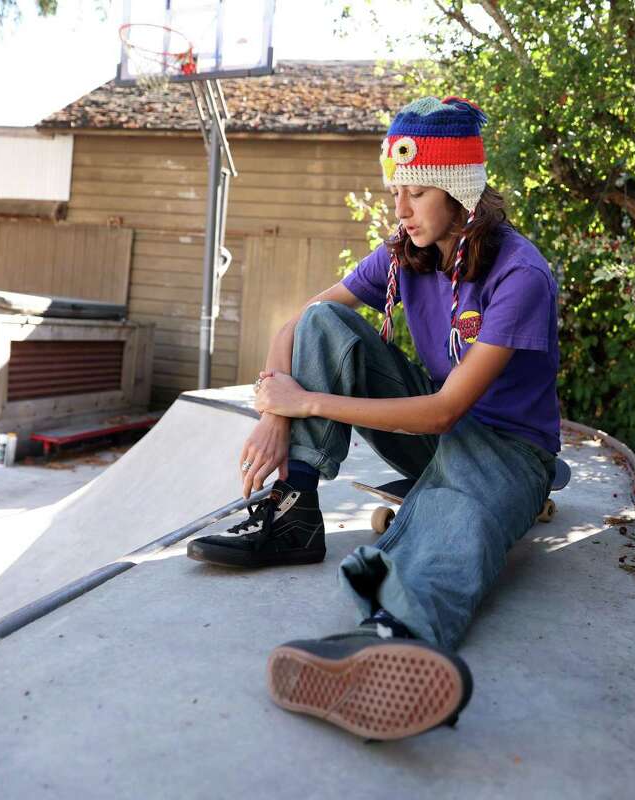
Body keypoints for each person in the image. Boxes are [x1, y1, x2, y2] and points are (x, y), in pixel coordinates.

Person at [187, 96, 561, 741]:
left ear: (459, 192)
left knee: (454, 512)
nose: (401, 208)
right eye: (396, 190)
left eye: (417, 192)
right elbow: (301, 323)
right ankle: (295, 512)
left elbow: (447, 413)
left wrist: (305, 403)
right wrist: (276, 410)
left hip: (504, 445)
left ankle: (395, 635)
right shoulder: (401, 255)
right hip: (430, 435)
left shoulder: (519, 273)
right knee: (330, 321)